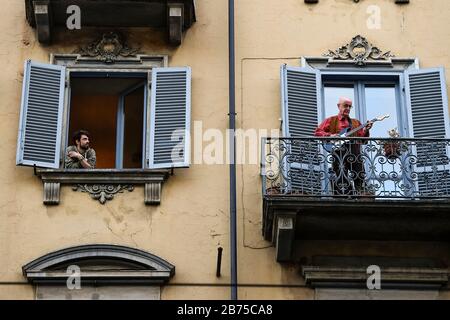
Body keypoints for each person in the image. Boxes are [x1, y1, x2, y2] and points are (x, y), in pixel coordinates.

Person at [314, 97, 373, 196]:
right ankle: (344, 195)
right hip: (339, 152)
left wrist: (366, 130)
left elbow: (363, 140)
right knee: (340, 175)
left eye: (350, 106)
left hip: (354, 153)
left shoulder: (355, 122)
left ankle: (360, 193)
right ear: (338, 106)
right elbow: (317, 132)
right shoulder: (331, 120)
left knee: (359, 174)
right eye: (346, 105)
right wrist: (330, 135)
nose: (348, 108)